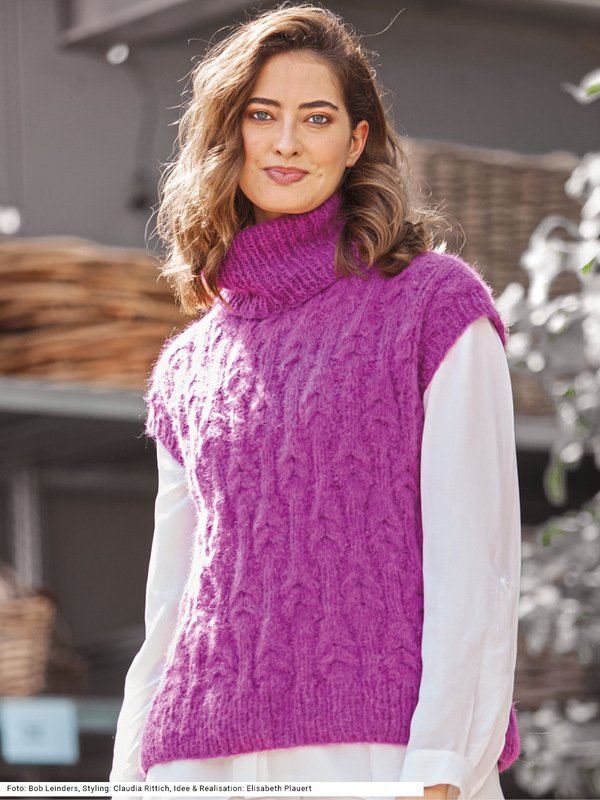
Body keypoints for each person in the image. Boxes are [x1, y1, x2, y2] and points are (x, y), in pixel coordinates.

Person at [110, 5, 522, 800]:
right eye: (262, 115)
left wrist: (442, 768)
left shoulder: (432, 306)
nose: (288, 142)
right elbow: (173, 599)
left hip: (377, 756)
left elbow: (479, 564)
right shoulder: (190, 364)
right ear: (229, 133)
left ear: (357, 141)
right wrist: (130, 775)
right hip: (196, 763)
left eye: (318, 118)